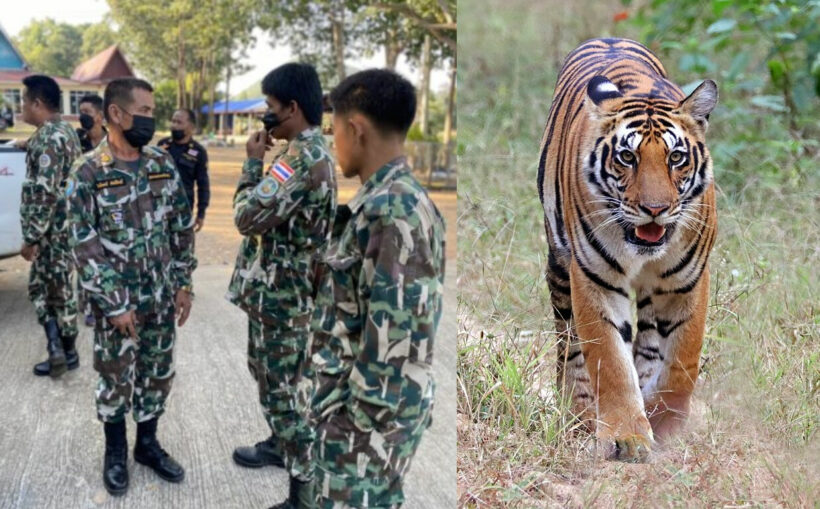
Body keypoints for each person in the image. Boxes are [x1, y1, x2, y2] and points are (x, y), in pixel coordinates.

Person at [310, 69, 446, 508]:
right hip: (374, 420)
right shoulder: (395, 200)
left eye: (335, 131)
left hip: (365, 426)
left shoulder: (391, 210)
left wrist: (346, 426)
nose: (335, 145)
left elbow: (396, 344)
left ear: (356, 129)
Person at [66, 77, 197, 496]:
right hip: (117, 306)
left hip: (159, 298)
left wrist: (184, 282)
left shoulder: (161, 162)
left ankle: (147, 445)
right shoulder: (88, 171)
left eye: (152, 112)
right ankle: (116, 452)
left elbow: (180, 226)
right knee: (114, 379)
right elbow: (83, 244)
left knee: (157, 374)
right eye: (142, 112)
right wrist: (114, 301)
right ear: (116, 114)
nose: (150, 120)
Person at [225, 62, 336, 509]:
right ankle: (279, 444)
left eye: (270, 107)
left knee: (285, 394)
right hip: (276, 295)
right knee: (267, 374)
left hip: (283, 300)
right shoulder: (302, 155)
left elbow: (246, 217)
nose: (264, 115)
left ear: (292, 107)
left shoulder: (301, 160)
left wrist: (252, 165)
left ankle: (304, 494)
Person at [19, 74, 83, 378]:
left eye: (22, 102)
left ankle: (60, 351)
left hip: (49, 233)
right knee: (60, 291)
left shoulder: (47, 139)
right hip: (68, 228)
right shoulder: (64, 131)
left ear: (37, 103)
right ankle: (65, 351)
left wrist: (31, 237)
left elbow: (43, 193)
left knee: (43, 290)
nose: (21, 109)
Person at [75, 93, 107, 328]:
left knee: (105, 255)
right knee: (84, 256)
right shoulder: (76, 140)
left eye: (87, 112)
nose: (82, 116)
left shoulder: (113, 141)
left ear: (100, 116)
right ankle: (87, 306)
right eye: (81, 111)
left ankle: (104, 300)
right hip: (82, 206)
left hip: (106, 206)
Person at [158, 108, 210, 231]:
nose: (174, 126)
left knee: (182, 247)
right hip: (160, 207)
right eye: (173, 121)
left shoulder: (198, 152)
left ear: (191, 127)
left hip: (183, 209)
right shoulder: (162, 145)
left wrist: (201, 214)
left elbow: (203, 185)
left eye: (179, 122)